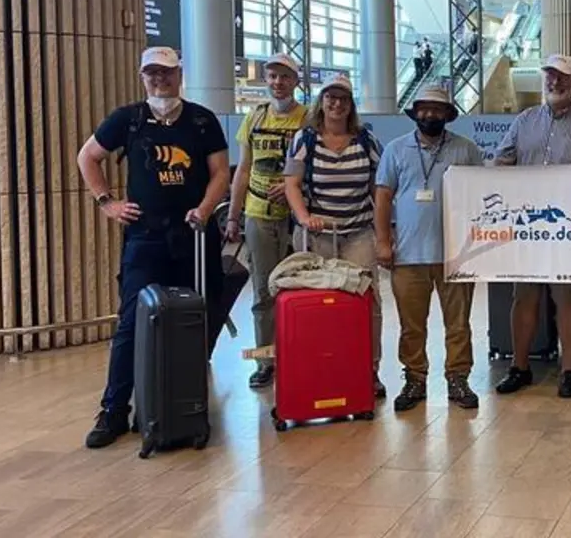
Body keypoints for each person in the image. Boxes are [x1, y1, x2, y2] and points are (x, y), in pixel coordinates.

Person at [77, 46, 230, 448]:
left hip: (194, 237)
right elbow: (88, 157)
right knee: (131, 322)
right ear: (143, 77)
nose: (159, 80)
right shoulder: (127, 119)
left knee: (198, 318)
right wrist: (107, 202)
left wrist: (204, 209)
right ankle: (113, 410)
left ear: (180, 75)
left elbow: (220, 174)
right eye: (152, 74)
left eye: (166, 72)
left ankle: (187, 406)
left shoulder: (202, 120)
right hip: (145, 239)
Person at [492, 54, 571, 398]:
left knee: (568, 299)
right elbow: (502, 161)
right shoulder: (524, 120)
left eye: (562, 77)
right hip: (527, 228)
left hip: (566, 229)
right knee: (524, 297)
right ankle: (520, 366)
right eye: (550, 76)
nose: (555, 82)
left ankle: (569, 370)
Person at [375, 84, 484, 411]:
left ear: (448, 114)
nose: (430, 114)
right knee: (411, 325)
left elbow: (481, 197)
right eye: (424, 108)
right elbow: (383, 197)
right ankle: (414, 379)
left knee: (458, 324)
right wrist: (383, 241)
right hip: (408, 254)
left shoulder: (466, 150)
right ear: (415, 112)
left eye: (437, 109)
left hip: (456, 255)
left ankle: (458, 378)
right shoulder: (395, 149)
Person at [282, 76, 387, 398]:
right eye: (331, 97)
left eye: (343, 98)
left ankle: (369, 368)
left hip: (357, 232)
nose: (337, 104)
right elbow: (291, 184)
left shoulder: (366, 141)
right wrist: (304, 217)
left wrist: (385, 231)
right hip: (318, 235)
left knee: (367, 300)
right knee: (319, 305)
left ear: (351, 104)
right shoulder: (305, 139)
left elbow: (379, 187)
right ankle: (323, 367)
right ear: (322, 100)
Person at [225, 53, 306, 389]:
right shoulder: (255, 116)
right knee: (263, 291)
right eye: (272, 76)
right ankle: (265, 360)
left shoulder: (307, 118)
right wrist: (233, 215)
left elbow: (316, 166)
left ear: (296, 81)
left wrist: (292, 189)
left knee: (299, 287)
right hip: (258, 214)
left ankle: (300, 354)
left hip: (297, 217)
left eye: (284, 77)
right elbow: (243, 169)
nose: (278, 83)